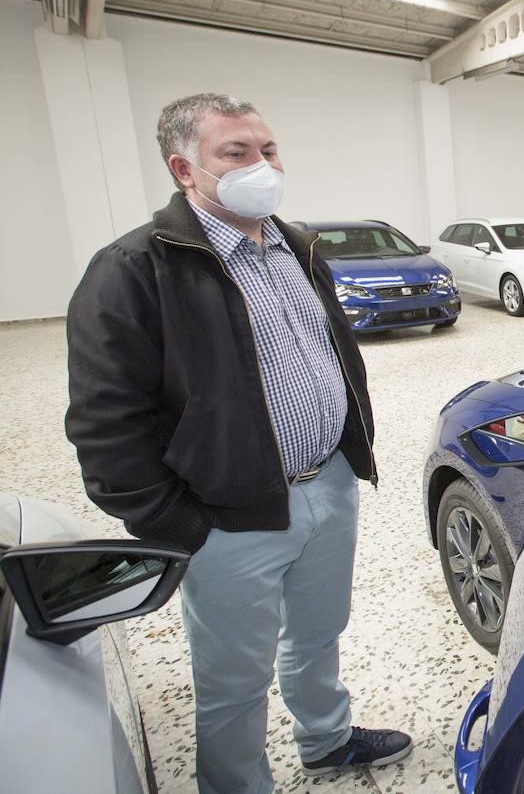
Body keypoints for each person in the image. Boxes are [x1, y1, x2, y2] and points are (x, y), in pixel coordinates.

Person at [65, 93, 413, 793]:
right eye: (236, 153)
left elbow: (326, 353)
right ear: (184, 168)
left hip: (328, 486)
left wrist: (349, 457)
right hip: (227, 516)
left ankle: (327, 739)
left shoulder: (297, 246)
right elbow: (105, 422)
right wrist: (180, 523)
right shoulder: (134, 268)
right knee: (233, 678)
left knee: (319, 633)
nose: (262, 164)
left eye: (268, 149)